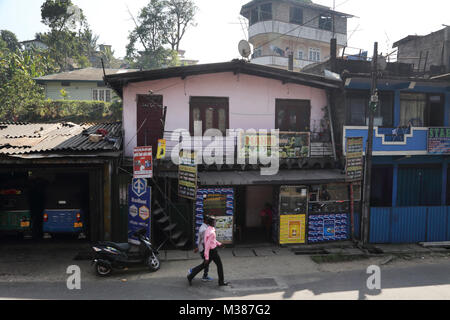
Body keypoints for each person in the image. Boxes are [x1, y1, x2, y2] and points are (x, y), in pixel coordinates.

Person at [187, 216, 229, 287]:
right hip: (212, 251)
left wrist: (219, 244)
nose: (215, 222)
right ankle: (221, 282)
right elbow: (207, 245)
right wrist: (206, 257)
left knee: (204, 265)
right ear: (211, 222)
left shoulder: (211, 229)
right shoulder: (210, 231)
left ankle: (190, 276)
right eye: (214, 221)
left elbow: (213, 241)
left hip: (212, 250)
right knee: (219, 265)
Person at [190, 214, 213, 282]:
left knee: (206, 263)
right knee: (206, 263)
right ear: (205, 220)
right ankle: (194, 272)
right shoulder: (203, 229)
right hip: (203, 249)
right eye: (209, 219)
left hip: (203, 248)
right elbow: (203, 241)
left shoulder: (206, 227)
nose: (210, 220)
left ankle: (202, 274)